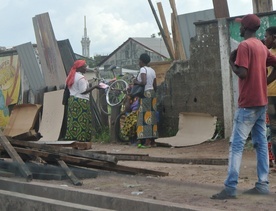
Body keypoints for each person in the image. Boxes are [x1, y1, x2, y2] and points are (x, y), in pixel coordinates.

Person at [211, 14, 276, 200]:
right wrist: (264, 81)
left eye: (240, 26)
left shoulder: (245, 46)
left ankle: (230, 188)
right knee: (261, 143)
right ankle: (262, 184)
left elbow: (243, 73)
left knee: (236, 145)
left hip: (247, 104)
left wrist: (232, 62)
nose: (239, 29)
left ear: (246, 28)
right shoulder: (262, 47)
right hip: (262, 102)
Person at [64, 60, 92, 142]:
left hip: (72, 100)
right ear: (80, 68)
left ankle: (71, 138)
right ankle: (81, 139)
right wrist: (95, 87)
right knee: (82, 120)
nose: (86, 68)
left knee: (73, 120)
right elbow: (83, 91)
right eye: (85, 66)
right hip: (81, 101)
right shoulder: (81, 78)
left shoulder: (70, 76)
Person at [133, 53, 158, 147]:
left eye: (139, 61)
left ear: (141, 61)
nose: (138, 62)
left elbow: (143, 82)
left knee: (144, 117)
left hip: (145, 94)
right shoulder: (152, 70)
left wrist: (136, 82)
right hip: (152, 94)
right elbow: (155, 86)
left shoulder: (143, 69)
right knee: (152, 116)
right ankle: (153, 141)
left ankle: (147, 141)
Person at [264, 26, 276, 167]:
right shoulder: (267, 54)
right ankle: (272, 160)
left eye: (267, 36)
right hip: (270, 96)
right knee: (272, 130)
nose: (265, 38)